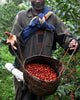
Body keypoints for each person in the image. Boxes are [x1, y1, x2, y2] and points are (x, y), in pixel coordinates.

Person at [5, 0, 79, 100]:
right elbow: (14, 40)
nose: (38, 1)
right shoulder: (22, 16)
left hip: (43, 78)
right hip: (23, 72)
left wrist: (71, 42)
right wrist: (13, 41)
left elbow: (65, 37)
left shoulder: (52, 18)